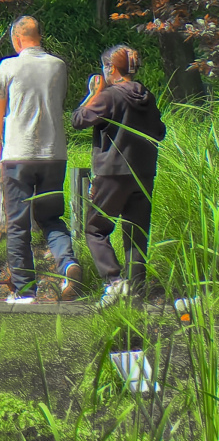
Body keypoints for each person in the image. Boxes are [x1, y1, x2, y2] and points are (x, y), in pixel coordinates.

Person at [0, 16, 77, 303]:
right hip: (54, 155)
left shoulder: (9, 66)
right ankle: (68, 265)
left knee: (18, 223)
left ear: (17, 39)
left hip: (18, 156)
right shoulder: (58, 65)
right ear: (40, 35)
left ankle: (25, 290)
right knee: (51, 217)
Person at [72, 44, 165, 307]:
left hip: (112, 173)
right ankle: (135, 294)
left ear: (111, 68)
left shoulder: (109, 96)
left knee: (94, 229)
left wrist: (93, 94)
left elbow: (78, 120)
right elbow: (160, 131)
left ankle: (114, 282)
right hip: (144, 173)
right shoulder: (148, 96)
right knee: (137, 234)